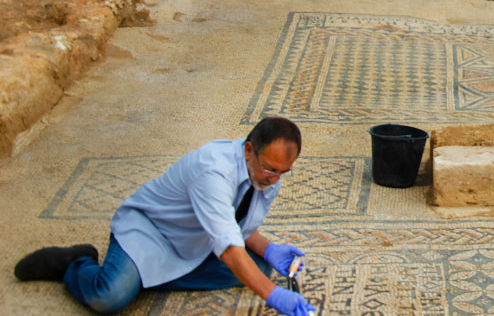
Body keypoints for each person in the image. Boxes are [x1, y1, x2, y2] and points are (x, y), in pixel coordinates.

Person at [14, 116, 315, 316]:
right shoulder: (213, 170)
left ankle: (143, 278)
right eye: (270, 169)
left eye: (282, 172)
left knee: (259, 268)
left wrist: (270, 249)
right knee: (109, 297)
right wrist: (272, 295)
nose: (274, 179)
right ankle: (75, 264)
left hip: (194, 241)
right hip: (150, 231)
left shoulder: (264, 174)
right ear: (249, 150)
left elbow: (236, 224)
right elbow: (229, 247)